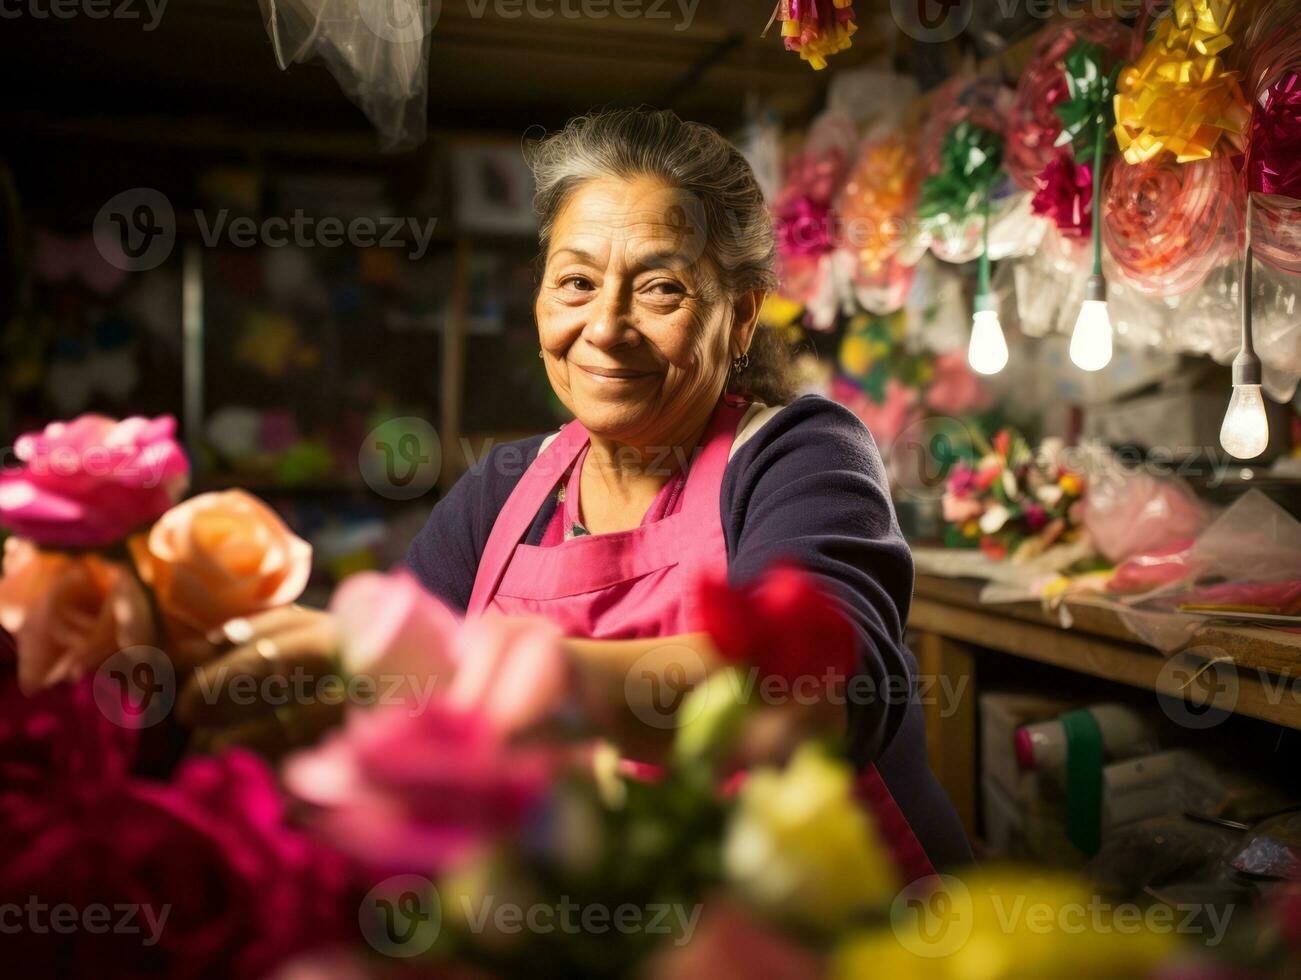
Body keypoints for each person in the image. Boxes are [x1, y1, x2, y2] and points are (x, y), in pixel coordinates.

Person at [182, 108, 972, 873]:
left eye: (660, 289)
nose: (605, 326)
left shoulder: (798, 456)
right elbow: (389, 704)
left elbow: (814, 695)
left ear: (737, 317)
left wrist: (469, 672)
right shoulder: (501, 493)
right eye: (576, 283)